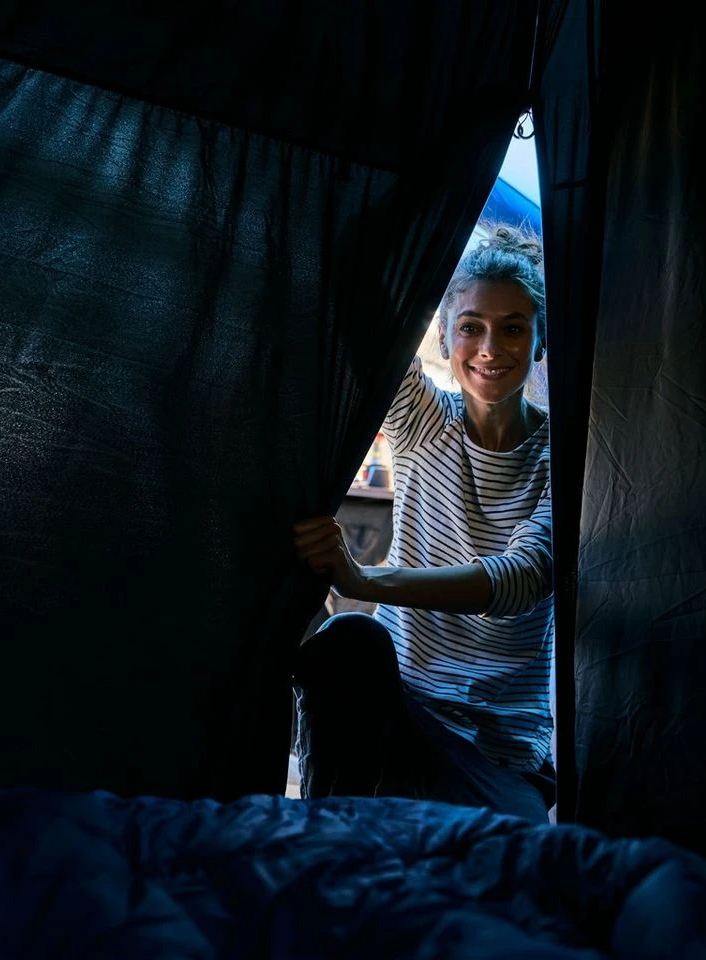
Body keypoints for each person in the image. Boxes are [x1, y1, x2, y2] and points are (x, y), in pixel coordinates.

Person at [291, 222, 554, 821]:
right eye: (471, 327)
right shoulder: (423, 419)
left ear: (540, 343)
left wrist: (366, 580)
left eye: (514, 328)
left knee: (512, 855)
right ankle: (328, 836)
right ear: (444, 336)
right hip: (402, 712)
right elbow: (356, 293)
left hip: (496, 750)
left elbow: (522, 578)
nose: (490, 348)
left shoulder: (563, 455)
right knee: (349, 640)